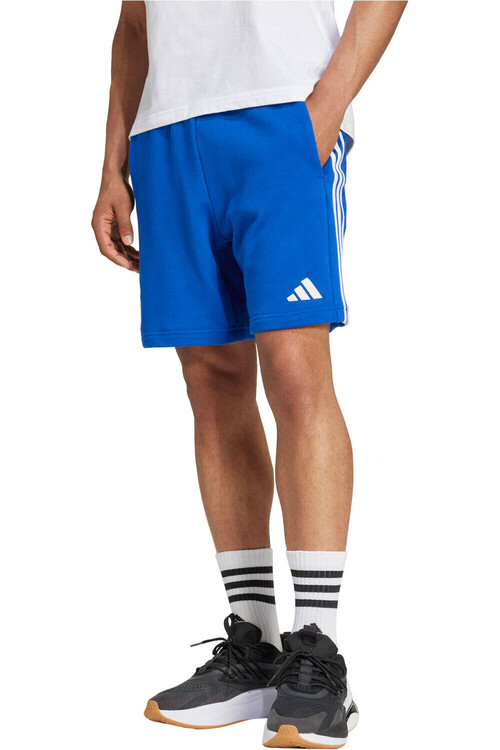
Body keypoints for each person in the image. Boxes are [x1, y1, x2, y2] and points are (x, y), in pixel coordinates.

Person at [92, 2, 406, 746]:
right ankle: (255, 647)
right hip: (168, 133)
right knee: (210, 383)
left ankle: (318, 655)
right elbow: (135, 21)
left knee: (296, 371)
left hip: (283, 110)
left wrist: (325, 107)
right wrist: (113, 163)